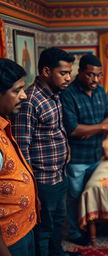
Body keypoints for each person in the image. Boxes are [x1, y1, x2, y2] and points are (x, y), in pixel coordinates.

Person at [10, 47, 74, 256]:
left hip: (59, 173)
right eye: (63, 73)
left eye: (69, 72)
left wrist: (67, 151)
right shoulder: (29, 100)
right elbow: (22, 146)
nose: (68, 78)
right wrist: (32, 186)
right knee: (44, 230)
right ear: (46, 71)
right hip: (42, 179)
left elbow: (57, 130)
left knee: (58, 224)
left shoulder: (54, 94)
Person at [61, 54, 108, 245]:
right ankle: (74, 233)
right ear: (79, 72)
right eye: (90, 75)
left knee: (92, 195)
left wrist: (91, 129)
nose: (95, 80)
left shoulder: (101, 91)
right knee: (74, 197)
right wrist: (101, 128)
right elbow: (73, 129)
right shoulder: (68, 94)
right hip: (77, 158)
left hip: (97, 155)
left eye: (99, 75)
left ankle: (92, 225)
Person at [0, 58, 39, 256]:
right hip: (9, 238)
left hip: (23, 225)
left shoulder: (4, 124)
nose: (24, 96)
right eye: (16, 91)